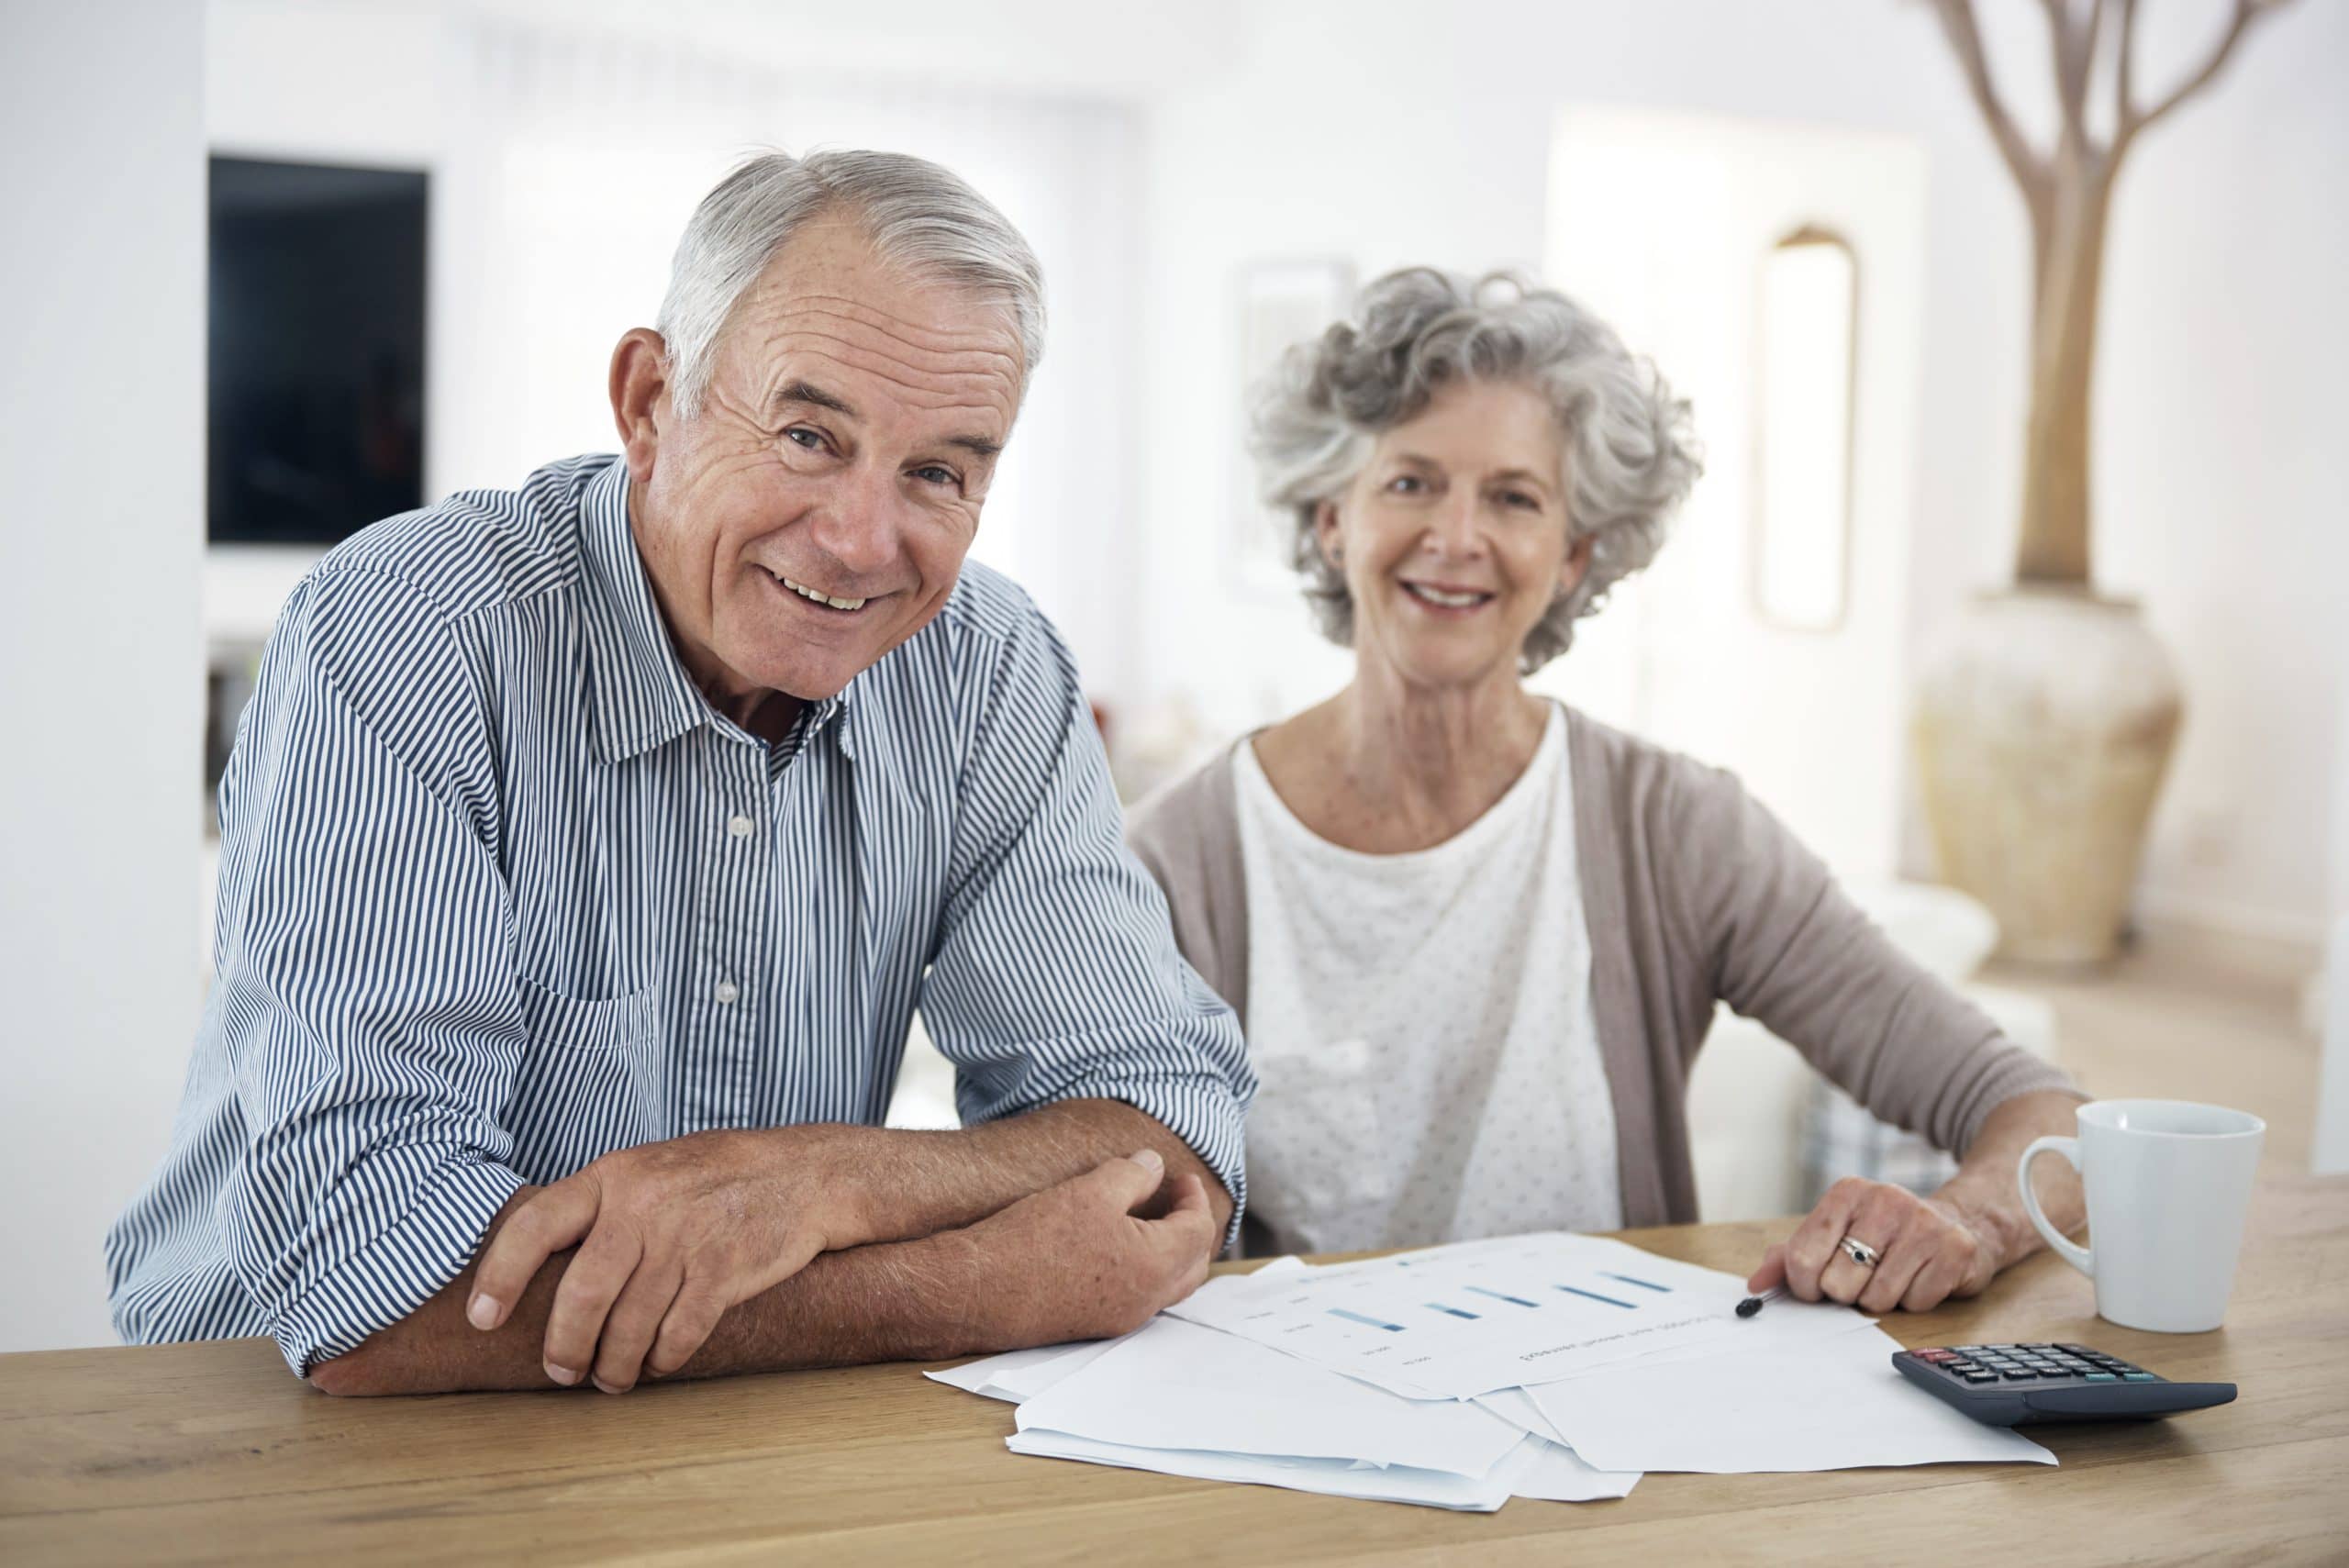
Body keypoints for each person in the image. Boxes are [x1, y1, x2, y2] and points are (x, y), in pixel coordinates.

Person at [108, 150, 1253, 1396]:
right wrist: (970, 1284)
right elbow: (371, 1283)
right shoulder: (409, 628)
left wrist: (820, 1180)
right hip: (256, 1423)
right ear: (652, 400)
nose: (863, 542)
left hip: (716, 1430)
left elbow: (1170, 1139)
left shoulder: (992, 668)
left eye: (939, 471)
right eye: (810, 435)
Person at [1127, 268, 2084, 1314]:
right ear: (1329, 520)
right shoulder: (1180, 856)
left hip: (1610, 1434)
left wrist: (1966, 1221)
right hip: (1286, 1428)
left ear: (1575, 553)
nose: (1456, 536)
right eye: (1409, 481)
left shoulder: (1673, 829)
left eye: (1513, 497)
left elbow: (2046, 1114)